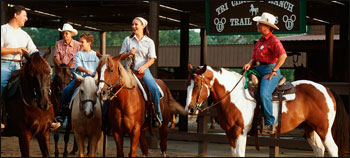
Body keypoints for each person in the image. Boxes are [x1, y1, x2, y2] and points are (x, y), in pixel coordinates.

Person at [1, 5, 60, 130]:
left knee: (41, 85)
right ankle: (2, 117)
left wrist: (42, 60)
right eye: (24, 15)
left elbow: (34, 51)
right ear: (15, 15)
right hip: (4, 65)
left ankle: (49, 117)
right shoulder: (3, 30)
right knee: (1, 85)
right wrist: (16, 50)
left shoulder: (25, 35)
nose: (26, 18)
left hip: (21, 66)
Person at [243, 12, 287, 134]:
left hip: (270, 69)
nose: (258, 25)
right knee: (242, 84)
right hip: (259, 68)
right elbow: (254, 58)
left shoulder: (274, 40)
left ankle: (270, 122)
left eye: (261, 24)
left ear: (268, 27)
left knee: (264, 94)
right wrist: (249, 64)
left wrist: (274, 70)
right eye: (259, 23)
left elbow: (283, 56)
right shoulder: (259, 41)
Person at [119, 17, 162, 127]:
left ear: (143, 26)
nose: (133, 26)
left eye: (136, 24)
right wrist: (129, 53)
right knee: (111, 86)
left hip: (142, 69)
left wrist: (143, 67)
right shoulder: (127, 40)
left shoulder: (149, 42)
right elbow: (121, 56)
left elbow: (152, 59)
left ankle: (157, 115)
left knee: (153, 88)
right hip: (128, 70)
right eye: (132, 24)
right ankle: (108, 116)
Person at [56, 32, 99, 122]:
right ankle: (62, 113)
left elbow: (98, 68)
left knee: (104, 94)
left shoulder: (95, 55)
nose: (80, 44)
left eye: (82, 42)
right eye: (80, 42)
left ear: (89, 43)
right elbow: (78, 67)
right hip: (81, 78)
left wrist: (96, 74)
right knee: (67, 90)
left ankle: (104, 115)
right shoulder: (79, 54)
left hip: (93, 79)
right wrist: (87, 71)